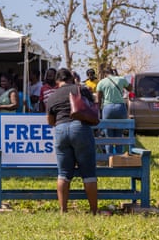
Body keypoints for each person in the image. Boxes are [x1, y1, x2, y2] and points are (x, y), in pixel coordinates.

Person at [46, 68, 98, 215]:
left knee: (63, 173)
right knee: (88, 173)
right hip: (80, 128)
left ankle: (63, 210)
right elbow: (92, 107)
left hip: (61, 130)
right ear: (71, 78)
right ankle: (94, 211)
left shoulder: (52, 96)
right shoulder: (81, 89)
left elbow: (50, 121)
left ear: (57, 81)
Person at [96, 67, 132, 154]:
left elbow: (98, 100)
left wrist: (99, 112)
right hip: (120, 108)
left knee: (109, 137)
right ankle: (119, 159)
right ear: (113, 72)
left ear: (105, 74)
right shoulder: (121, 79)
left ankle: (109, 159)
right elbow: (130, 88)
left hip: (107, 108)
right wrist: (119, 77)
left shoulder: (101, 82)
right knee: (119, 135)